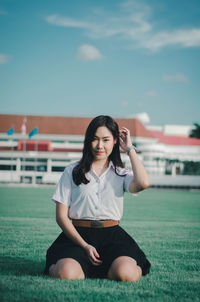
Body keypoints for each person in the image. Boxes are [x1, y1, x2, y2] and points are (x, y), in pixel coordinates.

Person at [44, 115, 151, 281]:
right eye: (95, 139)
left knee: (126, 274)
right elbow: (61, 217)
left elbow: (143, 183)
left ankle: (106, 269)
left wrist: (129, 149)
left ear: (115, 141)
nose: (100, 145)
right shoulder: (72, 171)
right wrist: (85, 246)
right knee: (66, 274)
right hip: (77, 236)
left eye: (106, 140)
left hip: (112, 236)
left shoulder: (121, 173)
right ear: (88, 141)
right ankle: (63, 266)